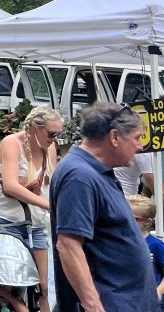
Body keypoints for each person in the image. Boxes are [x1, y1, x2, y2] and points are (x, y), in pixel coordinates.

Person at [51, 102, 157, 312]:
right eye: (137, 137)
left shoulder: (94, 171)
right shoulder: (79, 176)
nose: (140, 146)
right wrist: (93, 306)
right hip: (111, 303)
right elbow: (68, 245)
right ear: (115, 136)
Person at [0, 105, 62, 312]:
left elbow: (51, 183)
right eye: (52, 133)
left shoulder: (49, 148)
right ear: (36, 128)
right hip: (6, 220)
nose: (55, 138)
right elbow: (10, 186)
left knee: (43, 287)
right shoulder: (11, 143)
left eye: (59, 134)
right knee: (7, 285)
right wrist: (48, 205)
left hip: (36, 222)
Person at [127, 193, 164, 310]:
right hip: (128, 301)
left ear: (147, 222)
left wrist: (159, 291)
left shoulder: (156, 245)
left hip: (151, 303)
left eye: (132, 218)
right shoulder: (121, 243)